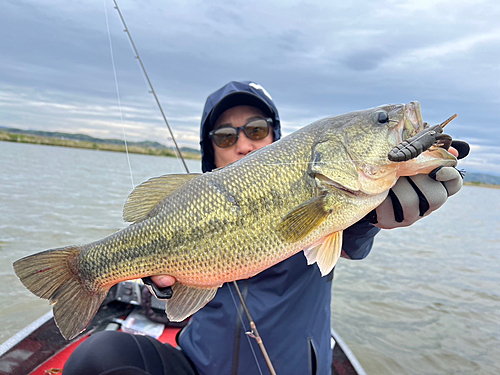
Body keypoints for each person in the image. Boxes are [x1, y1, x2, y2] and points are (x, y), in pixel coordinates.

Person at [64, 81, 467, 375]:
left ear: (276, 135)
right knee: (94, 358)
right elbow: (173, 286)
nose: (242, 143)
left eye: (255, 130)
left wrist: (373, 215)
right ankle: (87, 270)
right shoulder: (189, 205)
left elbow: (351, 240)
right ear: (211, 149)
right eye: (225, 135)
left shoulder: (335, 199)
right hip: (197, 364)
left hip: (289, 368)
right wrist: (163, 279)